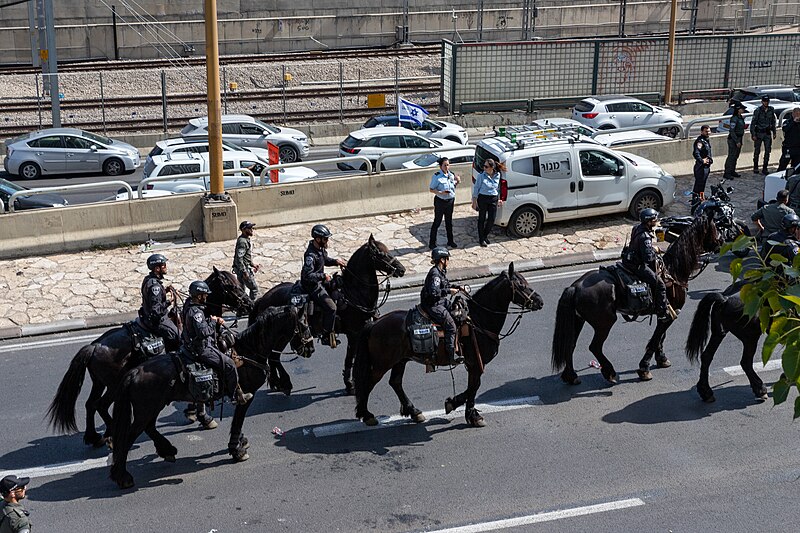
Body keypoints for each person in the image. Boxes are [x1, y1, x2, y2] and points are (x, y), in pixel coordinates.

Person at [181, 280, 252, 406]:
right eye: (205, 295)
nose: (206, 296)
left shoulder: (189, 305)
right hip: (201, 348)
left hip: (193, 344)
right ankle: (235, 395)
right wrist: (214, 322)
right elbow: (203, 332)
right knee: (229, 364)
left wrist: (212, 319)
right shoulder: (197, 313)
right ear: (199, 296)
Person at [301, 224, 347, 347]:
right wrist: (323, 276)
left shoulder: (319, 250)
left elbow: (325, 260)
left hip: (320, 281)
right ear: (317, 239)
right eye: (325, 238)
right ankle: (326, 335)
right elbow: (307, 275)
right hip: (312, 285)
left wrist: (336, 261)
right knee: (331, 307)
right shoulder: (310, 256)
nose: (327, 241)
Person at [622, 208, 670, 321]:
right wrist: (655, 250)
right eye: (654, 219)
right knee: (661, 285)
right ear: (648, 222)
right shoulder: (645, 237)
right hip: (637, 265)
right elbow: (648, 258)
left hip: (628, 260)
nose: (656, 221)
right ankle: (662, 312)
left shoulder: (636, 228)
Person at [420, 247, 461, 365]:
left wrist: (458, 287)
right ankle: (450, 355)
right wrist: (449, 292)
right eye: (447, 259)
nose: (448, 261)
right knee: (451, 326)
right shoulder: (435, 274)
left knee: (458, 309)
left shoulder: (441, 271)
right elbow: (434, 292)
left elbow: (446, 285)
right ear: (442, 260)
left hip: (440, 301)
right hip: (433, 305)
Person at [138, 253, 180, 352]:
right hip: (158, 321)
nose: (165, 267)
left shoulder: (149, 280)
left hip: (146, 315)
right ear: (157, 269)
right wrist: (170, 301)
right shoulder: (155, 286)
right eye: (163, 265)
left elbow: (152, 297)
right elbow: (156, 310)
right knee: (179, 338)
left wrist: (165, 291)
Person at [472, 158, 506, 247]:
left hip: (493, 199)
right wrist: (474, 201)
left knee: (492, 219)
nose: (484, 168)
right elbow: (476, 188)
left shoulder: (497, 175)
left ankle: (485, 235)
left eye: (486, 166)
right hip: (483, 198)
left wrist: (499, 198)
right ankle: (481, 239)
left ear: (492, 168)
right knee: (482, 219)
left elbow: (498, 188)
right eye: (484, 166)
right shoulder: (481, 176)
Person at [428, 157, 460, 250]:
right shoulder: (437, 176)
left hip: (450, 200)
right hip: (440, 201)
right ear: (441, 166)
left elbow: (452, 186)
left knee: (449, 222)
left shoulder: (451, 175)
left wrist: (457, 181)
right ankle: (432, 242)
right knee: (437, 222)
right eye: (445, 165)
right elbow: (431, 189)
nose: (446, 167)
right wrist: (440, 192)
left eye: (448, 165)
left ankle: (450, 241)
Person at [232, 220, 260, 300]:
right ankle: (252, 306)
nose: (252, 230)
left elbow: (245, 256)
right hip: (243, 270)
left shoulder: (245, 239)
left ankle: (242, 304)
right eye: (249, 228)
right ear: (244, 230)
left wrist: (252, 264)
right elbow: (239, 258)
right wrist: (244, 272)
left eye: (252, 228)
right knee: (254, 289)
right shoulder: (242, 242)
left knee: (241, 289)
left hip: (241, 268)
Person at [751, 95, 777, 174]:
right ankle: (755, 166)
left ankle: (765, 167)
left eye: (767, 101)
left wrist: (774, 132)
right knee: (757, 151)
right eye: (765, 101)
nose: (766, 103)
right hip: (759, 133)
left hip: (767, 133)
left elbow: (773, 121)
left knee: (767, 151)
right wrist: (753, 134)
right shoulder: (758, 111)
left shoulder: (771, 110)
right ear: (762, 102)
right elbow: (753, 123)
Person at [691, 125, 713, 211]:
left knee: (702, 188)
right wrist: (701, 160)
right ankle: (694, 206)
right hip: (701, 168)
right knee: (698, 188)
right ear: (701, 132)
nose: (708, 133)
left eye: (709, 131)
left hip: (706, 168)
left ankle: (700, 202)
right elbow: (696, 153)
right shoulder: (700, 141)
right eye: (706, 131)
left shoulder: (706, 140)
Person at [723, 101, 747, 180]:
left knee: (736, 156)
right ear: (738, 109)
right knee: (731, 156)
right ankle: (727, 173)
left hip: (739, 138)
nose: (743, 110)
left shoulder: (740, 117)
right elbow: (732, 131)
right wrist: (737, 141)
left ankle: (732, 170)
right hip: (734, 139)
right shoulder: (734, 118)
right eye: (741, 109)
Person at [777, 108, 800, 172]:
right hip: (789, 148)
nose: (797, 115)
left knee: (796, 167)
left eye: (799, 114)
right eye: (796, 114)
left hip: (798, 149)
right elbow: (785, 129)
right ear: (793, 114)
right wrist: (793, 122)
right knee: (782, 165)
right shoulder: (788, 122)